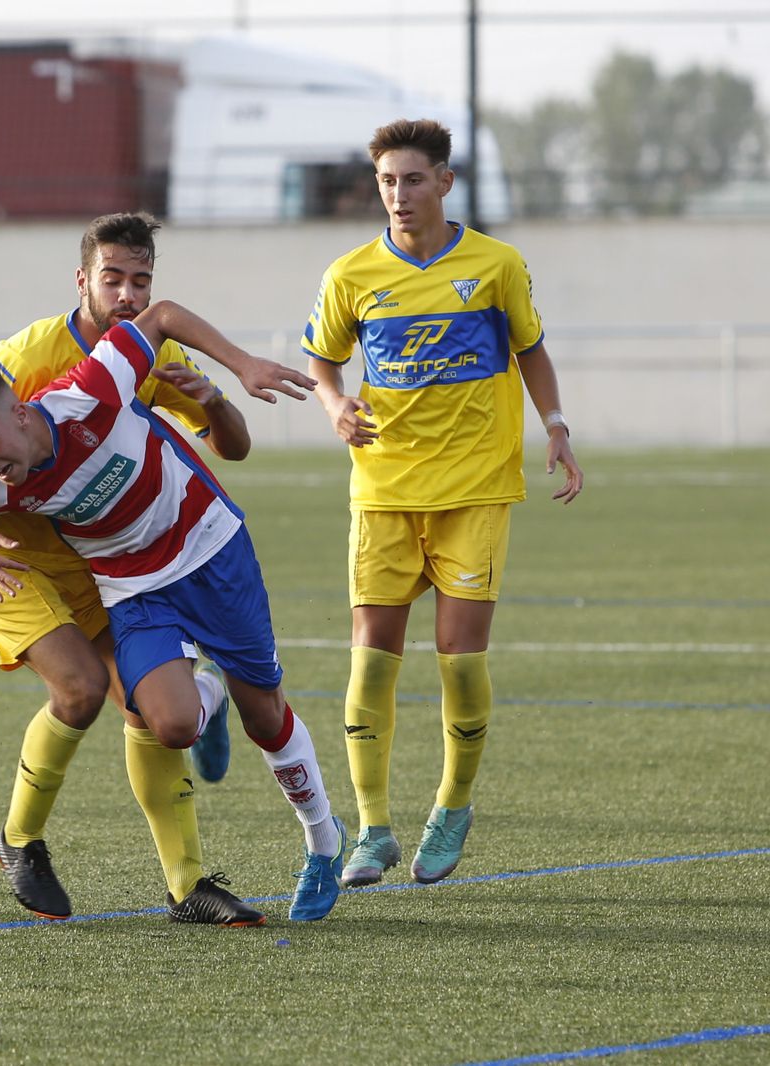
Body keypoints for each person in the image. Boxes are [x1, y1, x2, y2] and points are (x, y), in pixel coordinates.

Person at [0, 298, 345, 927]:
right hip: (131, 588)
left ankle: (323, 839)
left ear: (21, 412)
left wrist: (241, 365)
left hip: (210, 550)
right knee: (168, 725)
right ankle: (204, 709)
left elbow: (163, 314)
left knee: (265, 716)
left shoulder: (91, 389)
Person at [300, 118, 583, 887]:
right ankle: (372, 829)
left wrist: (556, 427)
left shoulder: (496, 264)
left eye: (413, 179)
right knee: (369, 665)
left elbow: (531, 350)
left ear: (445, 182)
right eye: (387, 181)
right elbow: (323, 362)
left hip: (474, 490)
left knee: (459, 662)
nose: (398, 194)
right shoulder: (350, 275)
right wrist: (334, 405)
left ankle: (452, 806)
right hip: (384, 490)